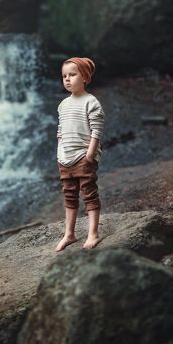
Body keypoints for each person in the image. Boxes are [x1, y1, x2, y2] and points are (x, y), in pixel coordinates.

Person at [54, 57, 105, 251]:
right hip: (65, 158)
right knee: (69, 195)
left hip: (83, 156)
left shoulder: (91, 102)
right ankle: (70, 234)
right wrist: (60, 151)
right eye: (64, 76)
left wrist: (90, 155)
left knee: (89, 193)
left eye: (72, 75)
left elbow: (96, 131)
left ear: (85, 77)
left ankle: (93, 233)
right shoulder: (63, 105)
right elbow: (60, 130)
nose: (67, 79)